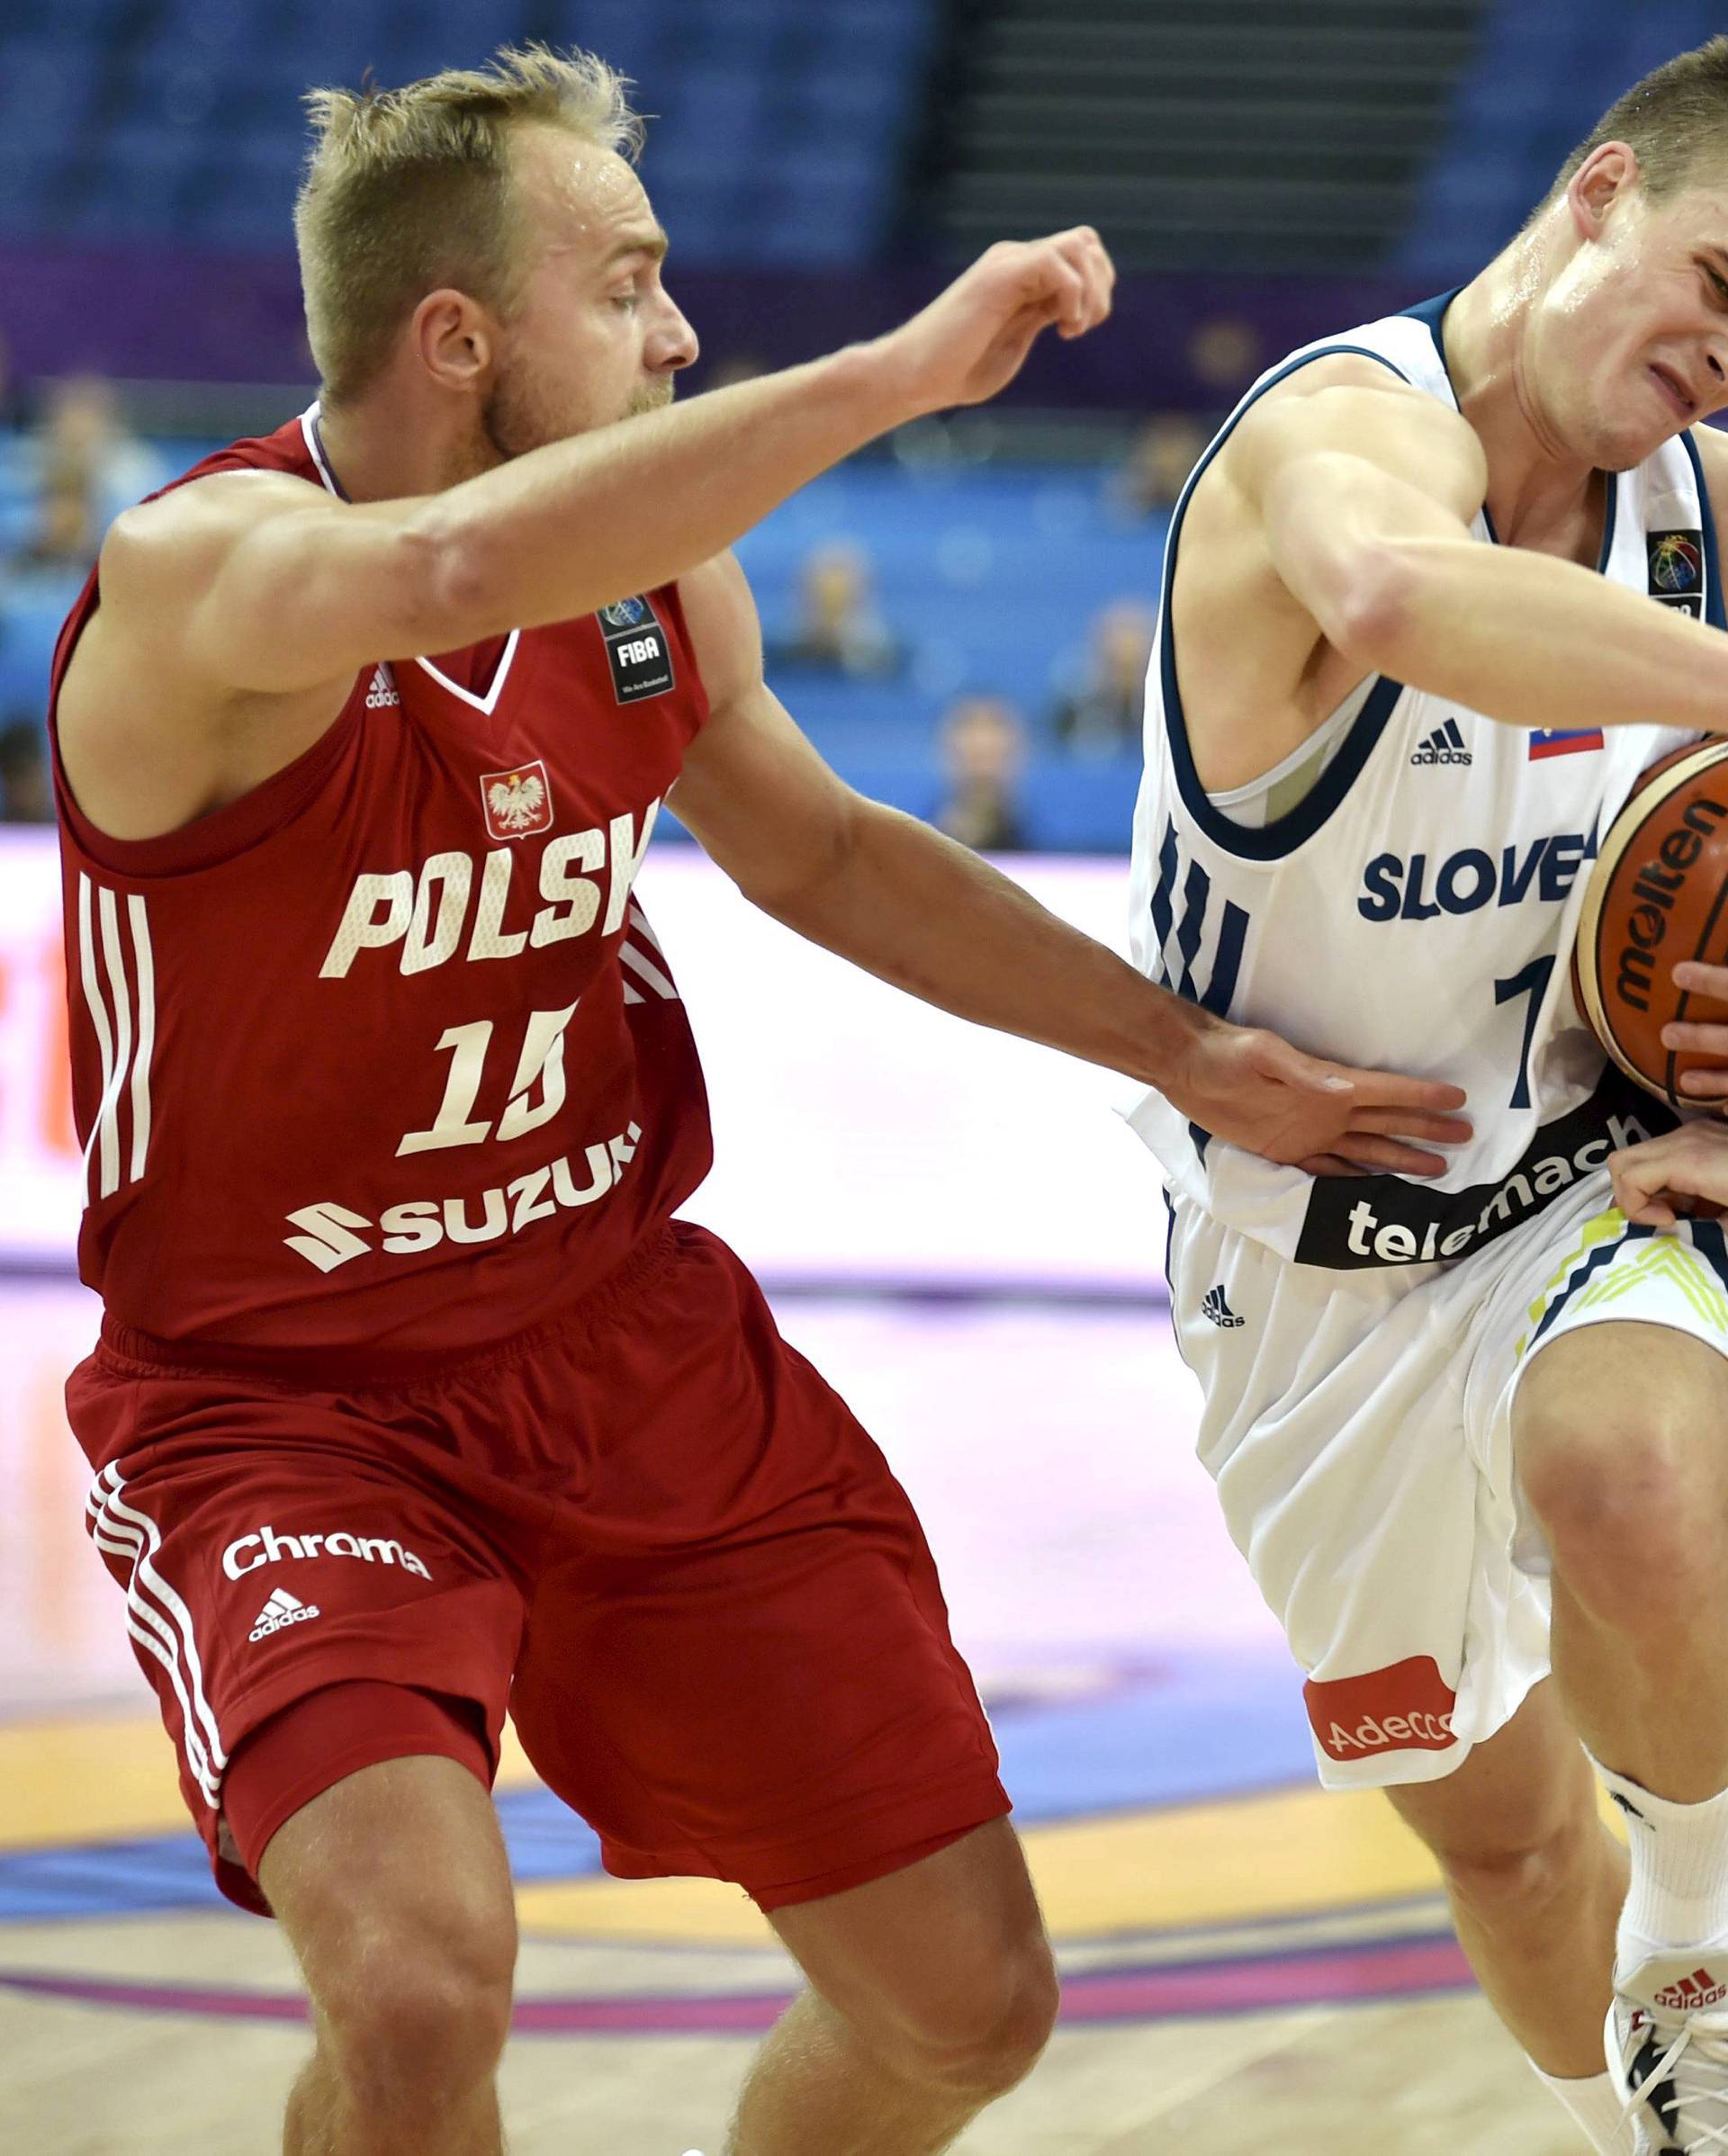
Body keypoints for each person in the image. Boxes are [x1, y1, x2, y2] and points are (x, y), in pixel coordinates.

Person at [49, 46, 1462, 2156]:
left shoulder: (647, 585)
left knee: (965, 2009)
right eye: (625, 287)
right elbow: (437, 578)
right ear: (457, 338)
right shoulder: (206, 584)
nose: (679, 331)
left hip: (622, 1348)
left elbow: (819, 850)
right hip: (282, 1402)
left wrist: (1186, 1054)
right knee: (422, 1986)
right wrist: (891, 376)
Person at [1124, 32, 1728, 2155]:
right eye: (1720, 285)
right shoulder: (1333, 428)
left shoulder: (1710, 500)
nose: (1724, 365)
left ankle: (1711, 1934)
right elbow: (1401, 598)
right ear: (1593, 193)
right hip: (1298, 1280)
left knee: (1632, 1475)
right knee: (1493, 1837)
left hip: (1585, 1181)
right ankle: (1635, 2122)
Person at [768, 537, 903, 678]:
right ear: (805, 595)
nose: (832, 601)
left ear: (862, 596)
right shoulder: (776, 656)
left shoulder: (889, 660)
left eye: (841, 598)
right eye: (823, 597)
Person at [1051, 598, 1155, 755]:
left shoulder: (1168, 706)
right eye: (1118, 633)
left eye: (1134, 632)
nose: (1126, 647)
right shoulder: (1073, 709)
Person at [932, 693, 1028, 852]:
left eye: (997, 725)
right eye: (969, 726)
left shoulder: (1057, 853)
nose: (983, 741)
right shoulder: (916, 845)